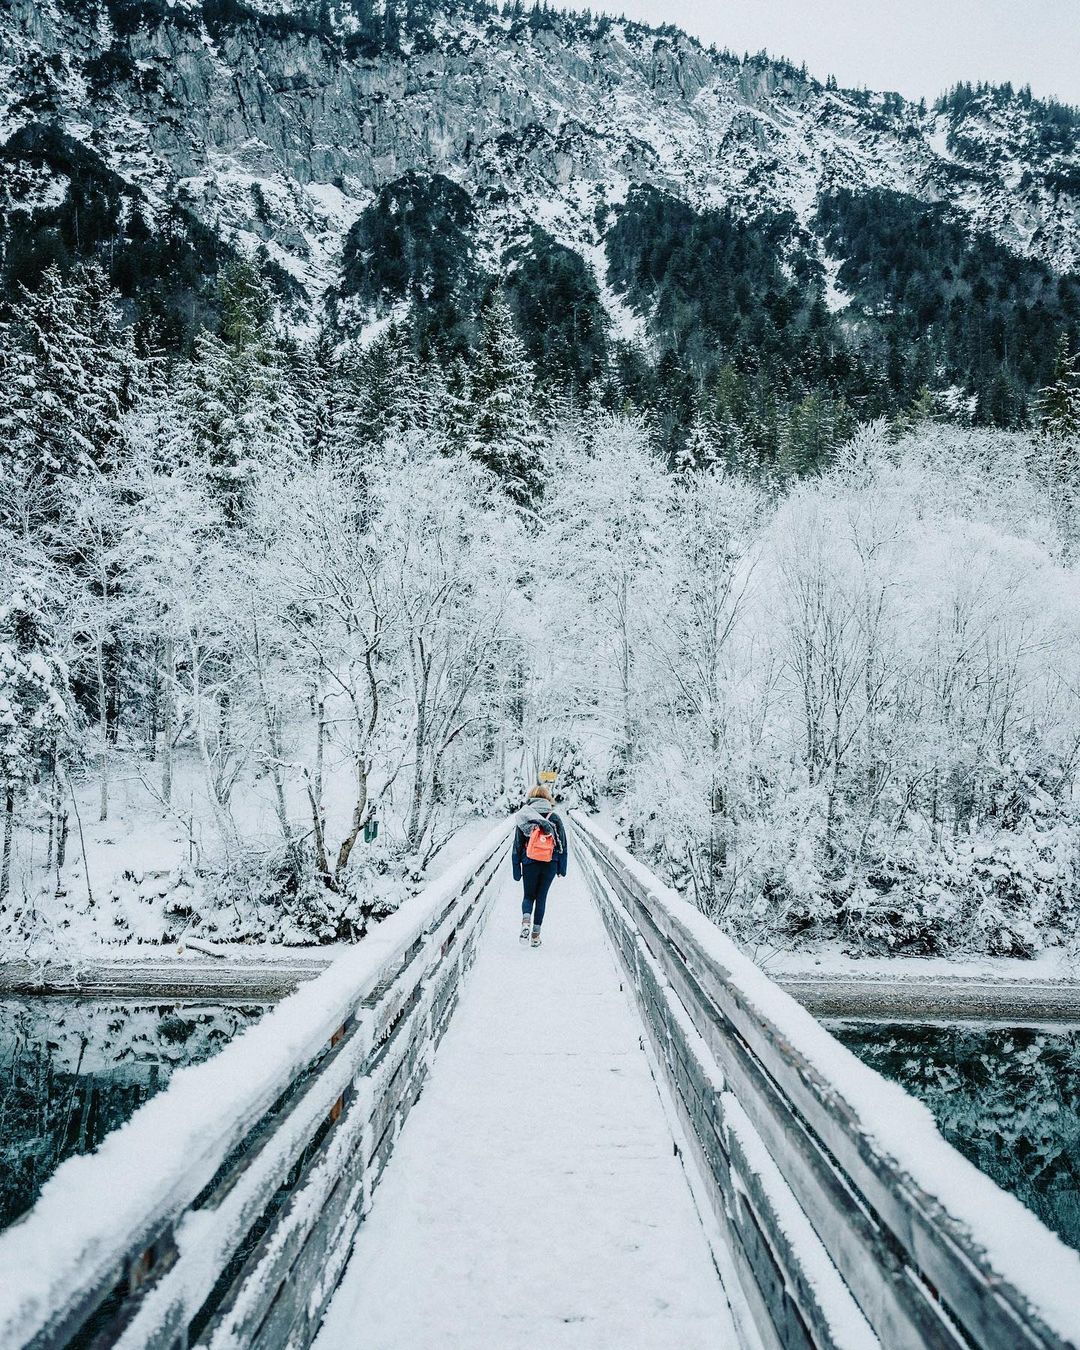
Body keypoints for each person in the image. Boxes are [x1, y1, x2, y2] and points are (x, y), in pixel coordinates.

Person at [512, 786, 568, 947]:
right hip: (550, 861)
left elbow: (517, 845)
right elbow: (562, 843)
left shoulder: (524, 817)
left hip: (529, 861)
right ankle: (535, 937)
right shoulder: (554, 817)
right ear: (547, 799)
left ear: (531, 798)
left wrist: (517, 869)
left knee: (528, 896)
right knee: (541, 898)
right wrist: (561, 868)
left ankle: (525, 922)